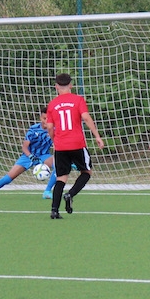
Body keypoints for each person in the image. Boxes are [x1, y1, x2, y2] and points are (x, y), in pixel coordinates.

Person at [45, 72, 104, 219]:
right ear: (71, 85)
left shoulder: (52, 104)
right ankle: (70, 194)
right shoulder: (78, 100)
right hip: (77, 143)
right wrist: (97, 136)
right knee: (86, 172)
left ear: (56, 86)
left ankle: (54, 210)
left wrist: (54, 140)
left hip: (60, 146)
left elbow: (49, 126)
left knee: (61, 177)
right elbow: (86, 117)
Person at [0, 108, 57, 200]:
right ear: (40, 118)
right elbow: (24, 147)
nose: (46, 121)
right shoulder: (33, 129)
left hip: (44, 155)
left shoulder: (54, 129)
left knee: (58, 165)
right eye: (44, 118)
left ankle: (47, 191)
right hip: (28, 156)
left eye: (48, 119)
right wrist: (30, 156)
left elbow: (57, 144)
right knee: (9, 177)